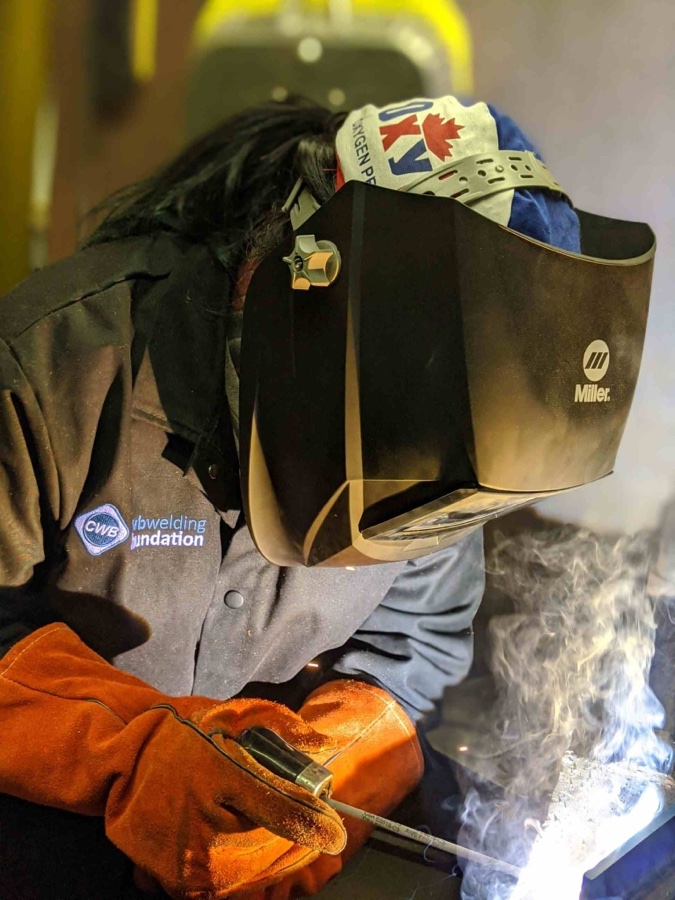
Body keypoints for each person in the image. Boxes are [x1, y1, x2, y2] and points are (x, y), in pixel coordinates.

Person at [0, 93, 648, 899]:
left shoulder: (455, 436)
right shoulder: (50, 370)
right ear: (293, 284)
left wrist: (329, 769)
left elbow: (409, 644)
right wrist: (130, 752)